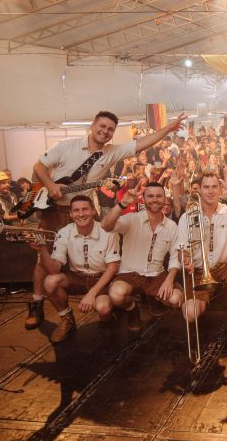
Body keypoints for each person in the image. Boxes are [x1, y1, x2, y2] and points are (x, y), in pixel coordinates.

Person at [25, 111, 186, 330]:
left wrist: (168, 128)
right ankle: (37, 303)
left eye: (110, 129)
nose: (105, 131)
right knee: (42, 258)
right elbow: (38, 167)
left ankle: (110, 296)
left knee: (106, 240)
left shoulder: (110, 153)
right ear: (92, 125)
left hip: (85, 210)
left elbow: (141, 144)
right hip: (53, 209)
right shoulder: (66, 146)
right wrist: (51, 185)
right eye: (102, 126)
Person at [30, 195, 120, 342]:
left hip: (101, 279)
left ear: (93, 211)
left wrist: (92, 293)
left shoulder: (107, 232)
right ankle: (67, 319)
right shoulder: (64, 232)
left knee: (103, 308)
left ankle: (108, 319)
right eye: (76, 210)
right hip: (77, 277)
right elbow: (54, 269)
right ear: (71, 214)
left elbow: (113, 268)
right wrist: (42, 250)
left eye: (85, 209)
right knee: (50, 281)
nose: (81, 214)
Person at [175, 169, 227, 327]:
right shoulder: (188, 216)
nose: (210, 191)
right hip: (198, 271)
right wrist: (186, 260)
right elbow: (182, 250)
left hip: (225, 266)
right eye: (206, 187)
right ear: (199, 190)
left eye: (214, 187)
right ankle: (208, 296)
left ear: (220, 189)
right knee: (190, 314)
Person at [102, 182, 183, 331]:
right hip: (129, 275)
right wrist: (122, 204)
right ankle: (132, 309)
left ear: (165, 199)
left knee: (176, 298)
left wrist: (169, 280)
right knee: (116, 294)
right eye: (150, 196)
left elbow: (174, 256)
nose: (155, 199)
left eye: (159, 196)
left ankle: (154, 298)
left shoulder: (172, 226)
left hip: (156, 275)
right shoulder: (132, 219)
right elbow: (106, 225)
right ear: (143, 199)